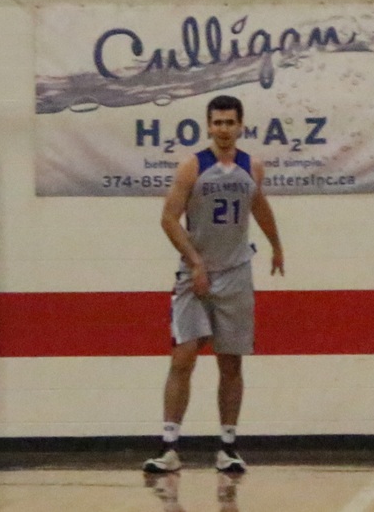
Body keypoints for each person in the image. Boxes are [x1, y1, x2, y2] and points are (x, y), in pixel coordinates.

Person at [143, 95, 285, 477]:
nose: (223, 129)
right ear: (208, 126)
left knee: (231, 361)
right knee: (183, 356)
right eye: (217, 122)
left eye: (229, 122)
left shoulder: (252, 167)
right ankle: (169, 446)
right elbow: (168, 218)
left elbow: (259, 206)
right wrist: (196, 262)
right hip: (196, 273)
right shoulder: (192, 167)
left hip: (235, 271)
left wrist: (276, 245)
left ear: (241, 126)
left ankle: (228, 447)